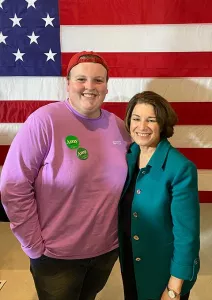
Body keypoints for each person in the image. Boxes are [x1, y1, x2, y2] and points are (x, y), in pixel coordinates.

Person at [0, 51, 131, 300]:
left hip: (106, 250)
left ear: (106, 87)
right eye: (81, 79)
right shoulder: (44, 121)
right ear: (68, 83)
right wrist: (33, 245)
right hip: (56, 255)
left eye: (98, 80)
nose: (89, 87)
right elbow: (13, 186)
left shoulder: (119, 127)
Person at [119, 91, 200, 300]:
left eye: (151, 120)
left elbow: (187, 235)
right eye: (136, 119)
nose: (142, 126)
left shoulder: (180, 168)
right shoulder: (129, 156)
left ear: (163, 124)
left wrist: (174, 287)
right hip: (130, 261)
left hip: (162, 270)